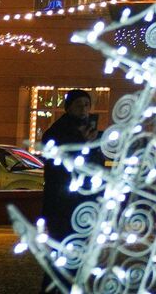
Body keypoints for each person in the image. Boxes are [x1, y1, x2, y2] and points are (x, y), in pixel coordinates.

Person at [40, 90, 99, 242]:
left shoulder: (90, 132)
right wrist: (83, 143)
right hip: (62, 200)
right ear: (69, 107)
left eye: (86, 105)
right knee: (63, 242)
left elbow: (96, 164)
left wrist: (94, 145)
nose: (84, 109)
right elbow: (59, 165)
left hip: (84, 199)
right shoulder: (57, 132)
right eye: (78, 105)